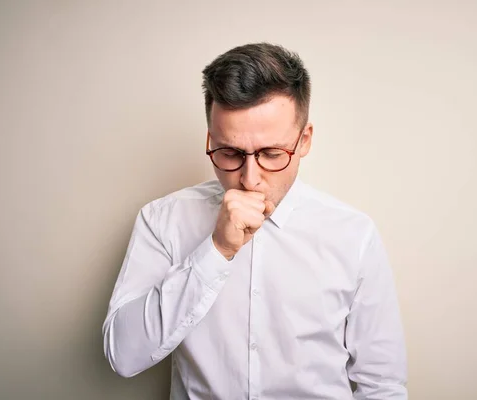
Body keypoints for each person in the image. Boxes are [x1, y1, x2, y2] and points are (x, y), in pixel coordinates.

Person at [102, 43, 408, 399]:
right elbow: (122, 356)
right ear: (210, 139)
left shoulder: (353, 235)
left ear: (304, 140)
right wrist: (216, 251)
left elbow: (382, 384)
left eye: (271, 154)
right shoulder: (162, 221)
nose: (249, 179)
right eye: (229, 153)